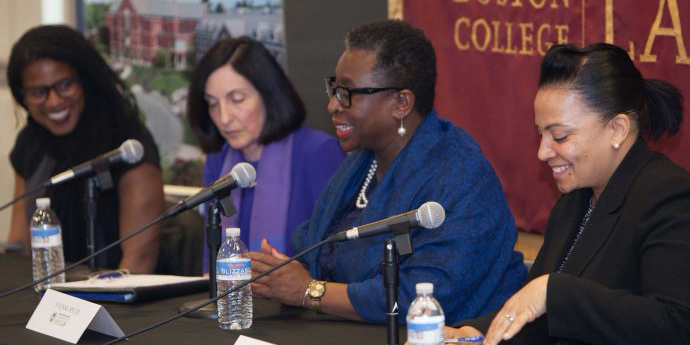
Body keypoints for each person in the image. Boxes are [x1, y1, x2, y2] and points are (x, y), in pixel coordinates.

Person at [249, 19, 526, 325]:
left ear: (401, 103)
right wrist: (277, 273)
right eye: (334, 89)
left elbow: (424, 296)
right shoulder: (361, 163)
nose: (332, 106)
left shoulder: (461, 176)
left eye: (348, 92)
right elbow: (314, 250)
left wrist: (309, 291)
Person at [447, 43, 690, 345]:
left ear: (617, 129)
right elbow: (542, 318)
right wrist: (475, 333)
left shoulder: (669, 195)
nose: (542, 152)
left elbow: (675, 324)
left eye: (559, 136)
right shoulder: (573, 203)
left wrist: (554, 293)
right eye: (541, 134)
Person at [6, 25, 163, 273]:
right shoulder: (30, 142)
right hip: (48, 299)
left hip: (122, 302)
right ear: (22, 95)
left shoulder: (127, 144)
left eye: (65, 85)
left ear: (85, 80)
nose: (54, 101)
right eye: (38, 92)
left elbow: (139, 261)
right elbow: (22, 248)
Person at [187, 36, 345, 271]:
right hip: (234, 305)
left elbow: (338, 262)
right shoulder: (218, 161)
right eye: (212, 103)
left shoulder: (319, 153)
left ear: (268, 94)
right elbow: (210, 263)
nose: (224, 117)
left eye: (236, 99)